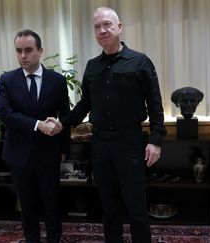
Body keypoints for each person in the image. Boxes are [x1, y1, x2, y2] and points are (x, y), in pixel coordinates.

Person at [52, 7, 167, 243]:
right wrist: (61, 123)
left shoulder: (140, 62)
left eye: (107, 24)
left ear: (119, 27)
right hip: (100, 144)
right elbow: (84, 105)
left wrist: (155, 141)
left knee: (135, 205)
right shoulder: (92, 66)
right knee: (109, 205)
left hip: (130, 142)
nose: (102, 30)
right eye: (97, 27)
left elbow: (155, 105)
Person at [0, 29, 70, 243]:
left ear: (40, 51)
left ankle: (54, 239)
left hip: (49, 153)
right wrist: (37, 125)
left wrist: (64, 150)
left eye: (28, 50)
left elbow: (64, 117)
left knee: (51, 202)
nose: (23, 56)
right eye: (18, 51)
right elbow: (5, 114)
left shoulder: (57, 80)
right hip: (19, 154)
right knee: (27, 205)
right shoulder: (7, 80)